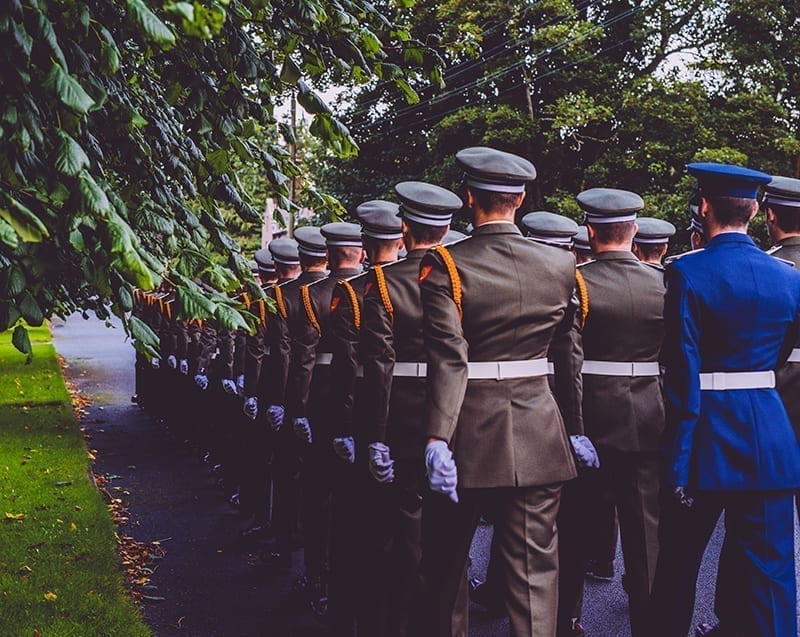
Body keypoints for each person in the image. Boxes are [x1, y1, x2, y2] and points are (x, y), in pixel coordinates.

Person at [417, 146, 593, 637]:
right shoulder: (561, 266)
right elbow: (568, 358)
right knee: (536, 575)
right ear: (519, 199)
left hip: (469, 432)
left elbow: (449, 360)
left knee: (447, 570)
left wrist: (436, 437)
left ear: (468, 197)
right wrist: (574, 429)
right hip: (540, 429)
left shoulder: (448, 265)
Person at [649, 162, 800, 637]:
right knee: (773, 573)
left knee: (676, 568)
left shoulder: (688, 272)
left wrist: (677, 456)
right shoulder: (787, 274)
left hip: (705, 435)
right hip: (767, 434)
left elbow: (682, 368)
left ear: (705, 206)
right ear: (755, 211)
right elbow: (780, 354)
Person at [557, 188, 666, 637]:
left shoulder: (576, 282)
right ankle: (652, 623)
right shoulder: (664, 282)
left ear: (589, 230)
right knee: (646, 536)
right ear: (634, 231)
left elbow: (568, 360)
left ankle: (566, 621)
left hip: (592, 418)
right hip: (649, 415)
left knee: (574, 528)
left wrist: (573, 426)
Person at [358, 182, 463, 636]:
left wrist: (374, 435)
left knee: (402, 527)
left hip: (401, 413)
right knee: (453, 530)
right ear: (447, 229)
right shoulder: (462, 275)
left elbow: (379, 367)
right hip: (456, 411)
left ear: (405, 229)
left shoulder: (383, 282)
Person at [697, 174, 800, 637]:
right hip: (769, 409)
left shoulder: (768, 266)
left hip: (769, 406)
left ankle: (737, 619)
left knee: (750, 534)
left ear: (770, 215)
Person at [326, 202, 403, 633]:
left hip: (367, 419)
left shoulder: (357, 292)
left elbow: (351, 369)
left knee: (356, 527)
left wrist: (350, 430)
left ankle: (351, 614)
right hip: (416, 422)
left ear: (366, 245)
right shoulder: (430, 284)